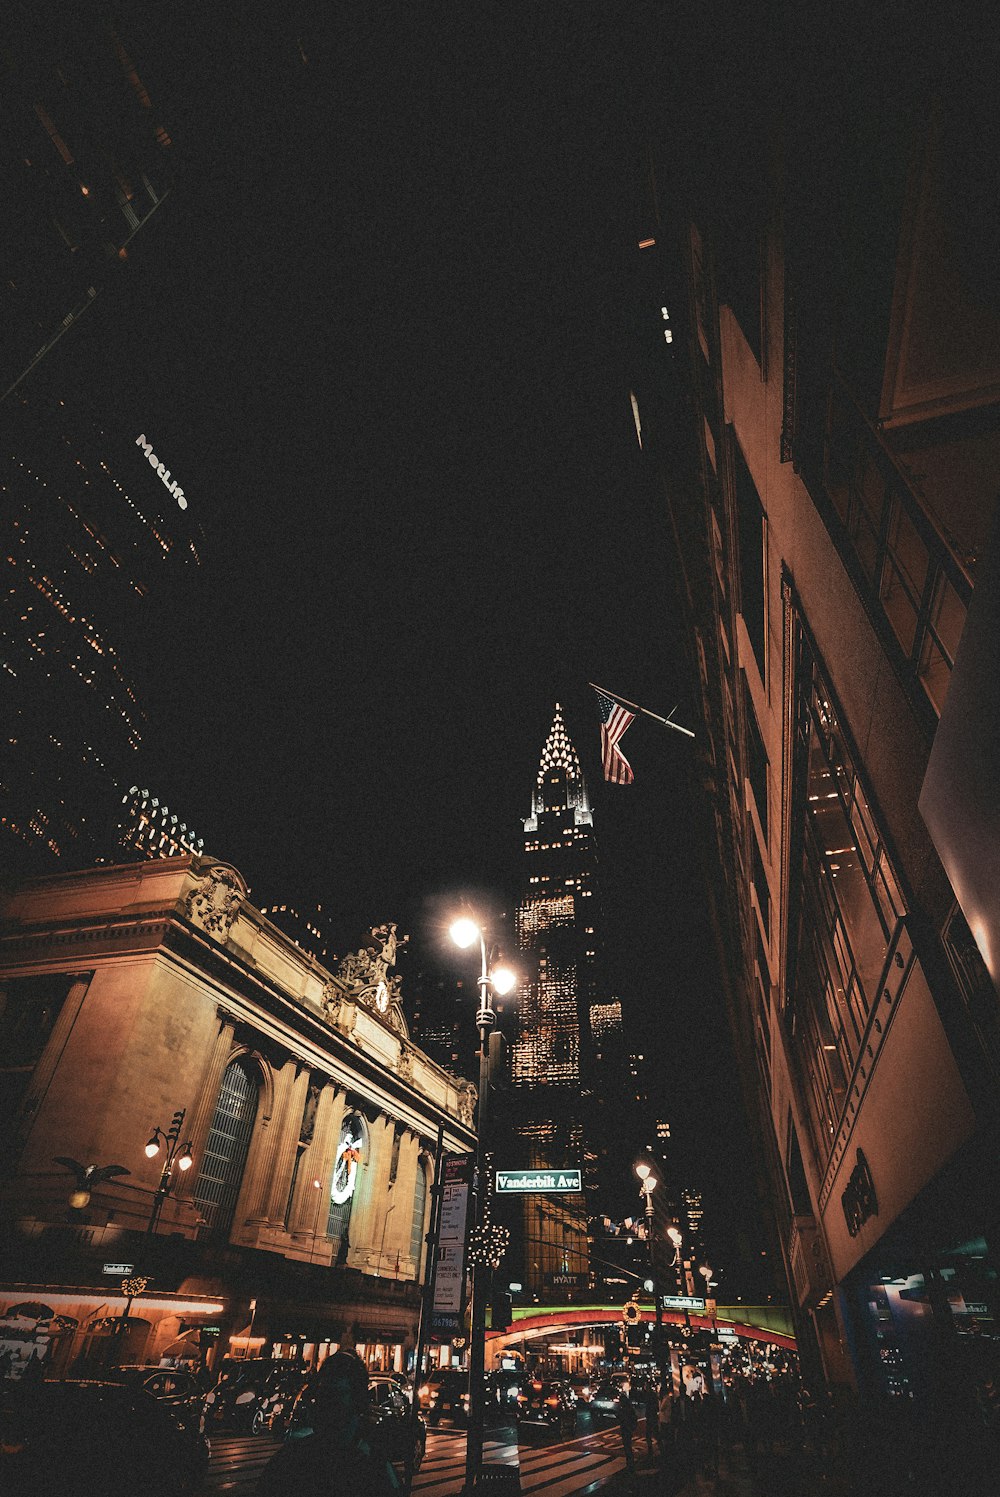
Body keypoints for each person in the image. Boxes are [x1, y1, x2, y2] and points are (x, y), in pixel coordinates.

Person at [256, 1350, 398, 1495]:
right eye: (322, 1394)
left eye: (334, 1395)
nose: (325, 1404)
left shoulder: (373, 1469)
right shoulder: (291, 1460)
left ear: (357, 1401)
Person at [616, 1386, 638, 1475]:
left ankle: (630, 1464)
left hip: (626, 1429)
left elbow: (621, 1418)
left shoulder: (624, 1410)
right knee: (628, 1447)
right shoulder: (629, 1409)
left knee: (627, 1447)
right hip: (628, 1429)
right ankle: (630, 1464)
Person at [643, 1382, 659, 1459]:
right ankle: (657, 1447)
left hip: (651, 1416)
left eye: (645, 1386)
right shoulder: (651, 1394)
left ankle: (651, 1449)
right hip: (652, 1415)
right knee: (653, 1432)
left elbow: (652, 1406)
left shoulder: (650, 1395)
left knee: (650, 1433)